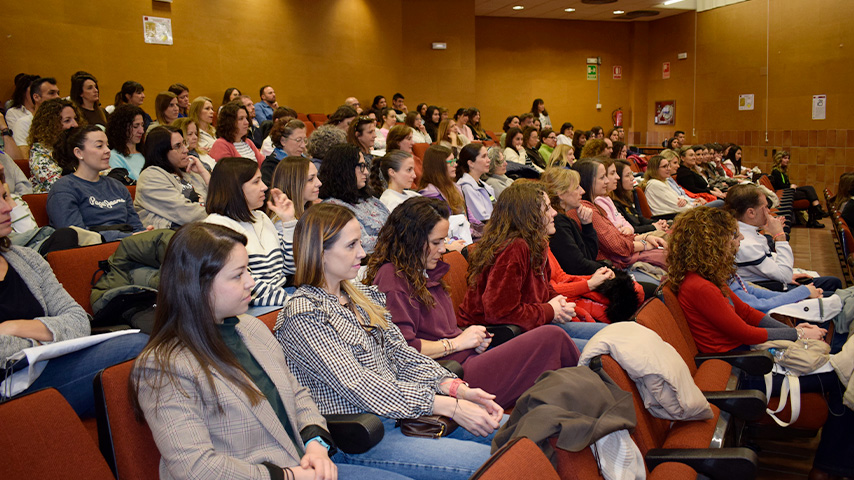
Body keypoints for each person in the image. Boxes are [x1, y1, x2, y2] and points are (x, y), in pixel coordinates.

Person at [131, 222, 402, 480]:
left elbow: (297, 395)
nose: (251, 282)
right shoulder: (164, 365)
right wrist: (289, 475)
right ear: (197, 286)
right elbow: (196, 468)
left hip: (302, 466)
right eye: (238, 275)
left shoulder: (251, 329)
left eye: (247, 270)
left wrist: (316, 444)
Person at [276, 203, 504, 480]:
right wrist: (445, 404)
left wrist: (455, 389)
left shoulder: (360, 294)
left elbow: (403, 355)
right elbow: (359, 385)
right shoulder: (304, 314)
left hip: (405, 414)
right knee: (491, 462)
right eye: (351, 245)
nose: (362, 252)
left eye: (359, 242)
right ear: (320, 253)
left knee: (513, 433)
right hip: (363, 436)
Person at [667, 206, 854, 480]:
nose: (740, 240)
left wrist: (793, 330)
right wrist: (797, 336)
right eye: (733, 236)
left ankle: (831, 466)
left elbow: (747, 313)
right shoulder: (700, 285)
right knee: (842, 383)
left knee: (842, 377)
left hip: (748, 358)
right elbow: (744, 332)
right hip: (745, 369)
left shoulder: (707, 277)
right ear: (712, 241)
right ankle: (827, 469)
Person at [366, 196, 581, 407]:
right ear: (412, 240)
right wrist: (457, 343)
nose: (443, 249)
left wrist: (471, 338)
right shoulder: (392, 279)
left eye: (443, 240)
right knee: (553, 338)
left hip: (463, 360)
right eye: (436, 242)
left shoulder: (422, 271)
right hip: (446, 376)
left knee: (555, 348)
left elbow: (443, 331)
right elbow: (401, 350)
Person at [0, 191, 147, 417]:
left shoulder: (25, 258)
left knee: (148, 348)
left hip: (49, 367)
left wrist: (14, 328)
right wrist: (45, 339)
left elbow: (78, 320)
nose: (8, 206)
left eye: (5, 196)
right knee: (136, 351)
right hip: (10, 387)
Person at [458, 182, 608, 350]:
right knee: (600, 350)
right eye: (547, 209)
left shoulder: (537, 244)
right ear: (529, 216)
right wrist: (550, 310)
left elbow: (540, 289)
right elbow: (499, 313)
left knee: (611, 335)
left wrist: (556, 302)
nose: (555, 213)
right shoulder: (514, 248)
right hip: (497, 336)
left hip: (529, 326)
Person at [203, 157, 294, 306]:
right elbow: (247, 286)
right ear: (236, 188)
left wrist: (289, 222)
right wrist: (291, 301)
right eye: (256, 181)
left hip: (283, 296)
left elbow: (290, 268)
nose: (265, 186)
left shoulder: (261, 217)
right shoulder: (216, 228)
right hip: (252, 307)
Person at [725, 184, 841, 293]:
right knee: (833, 290)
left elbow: (771, 264)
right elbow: (784, 275)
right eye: (765, 207)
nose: (769, 211)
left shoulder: (746, 231)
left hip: (771, 282)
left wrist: (787, 275)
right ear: (751, 212)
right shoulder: (745, 242)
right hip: (771, 290)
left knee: (833, 282)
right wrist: (780, 237)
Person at [46, 125, 147, 241]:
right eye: (99, 146)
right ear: (79, 153)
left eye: (107, 146)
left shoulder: (118, 186)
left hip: (129, 245)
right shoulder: (64, 188)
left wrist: (145, 235)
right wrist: (126, 237)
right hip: (95, 251)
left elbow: (136, 227)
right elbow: (77, 236)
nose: (108, 151)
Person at [573, 160, 667, 278]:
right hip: (618, 264)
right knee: (670, 258)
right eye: (602, 177)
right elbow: (617, 246)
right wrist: (644, 243)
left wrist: (644, 237)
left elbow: (621, 233)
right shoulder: (586, 209)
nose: (608, 180)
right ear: (588, 180)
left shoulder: (597, 205)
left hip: (626, 253)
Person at [318, 144, 388, 254]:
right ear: (344, 169)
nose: (366, 172)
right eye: (361, 166)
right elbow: (362, 244)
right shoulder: (333, 207)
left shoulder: (369, 199)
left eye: (365, 166)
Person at [135, 126, 210, 229]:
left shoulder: (187, 172)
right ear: (161, 152)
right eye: (178, 146)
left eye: (184, 143)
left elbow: (221, 200)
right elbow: (188, 215)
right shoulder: (150, 177)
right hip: (173, 238)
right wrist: (219, 214)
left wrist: (204, 173)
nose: (185, 149)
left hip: (200, 231)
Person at [541, 167, 607, 276]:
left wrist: (587, 225)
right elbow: (578, 266)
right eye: (576, 188)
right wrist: (608, 268)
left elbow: (589, 255)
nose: (582, 191)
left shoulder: (564, 219)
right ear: (561, 194)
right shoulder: (557, 222)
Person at [27, 98, 82, 193]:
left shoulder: (76, 146)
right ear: (50, 125)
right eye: (67, 120)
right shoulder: (39, 151)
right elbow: (58, 184)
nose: (75, 124)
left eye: (75, 119)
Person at [770, 151, 826, 228]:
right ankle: (816, 213)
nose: (787, 160)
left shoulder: (782, 171)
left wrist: (791, 186)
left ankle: (815, 214)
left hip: (788, 191)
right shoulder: (776, 172)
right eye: (785, 158)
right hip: (785, 194)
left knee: (809, 189)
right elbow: (780, 187)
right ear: (779, 159)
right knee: (808, 192)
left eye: (788, 158)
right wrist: (790, 187)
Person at [610, 160, 667, 235]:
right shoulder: (613, 203)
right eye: (627, 175)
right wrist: (653, 227)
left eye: (631, 174)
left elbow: (639, 218)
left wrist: (658, 223)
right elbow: (631, 228)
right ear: (618, 180)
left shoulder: (625, 197)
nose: (632, 178)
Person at [641, 154, 707, 218]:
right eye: (664, 167)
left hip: (678, 215)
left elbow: (679, 199)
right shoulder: (655, 184)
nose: (669, 169)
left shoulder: (664, 181)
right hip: (669, 218)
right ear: (654, 169)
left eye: (668, 166)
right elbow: (678, 207)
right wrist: (696, 206)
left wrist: (685, 200)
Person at [12, 77, 61, 158]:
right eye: (52, 93)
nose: (58, 97)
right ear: (36, 97)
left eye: (58, 93)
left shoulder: (61, 121)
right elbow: (25, 158)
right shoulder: (23, 123)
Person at [418, 145, 469, 220]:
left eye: (454, 161)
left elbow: (470, 217)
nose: (455, 164)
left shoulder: (455, 187)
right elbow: (445, 224)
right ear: (438, 166)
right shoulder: (430, 194)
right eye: (451, 161)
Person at [269, 156, 323, 222]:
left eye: (317, 176)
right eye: (310, 179)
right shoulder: (282, 223)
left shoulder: (307, 212)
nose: (319, 183)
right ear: (293, 184)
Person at [456, 143, 495, 223]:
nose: (488, 160)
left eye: (487, 156)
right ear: (471, 163)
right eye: (484, 156)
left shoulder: (484, 185)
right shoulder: (467, 188)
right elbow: (482, 218)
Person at [261, 119, 307, 186]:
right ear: (283, 141)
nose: (303, 145)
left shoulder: (306, 162)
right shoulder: (270, 166)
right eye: (298, 140)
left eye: (305, 140)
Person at [106, 104, 146, 180]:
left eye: (142, 125)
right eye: (135, 126)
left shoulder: (146, 153)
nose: (142, 131)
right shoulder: (114, 157)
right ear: (122, 128)